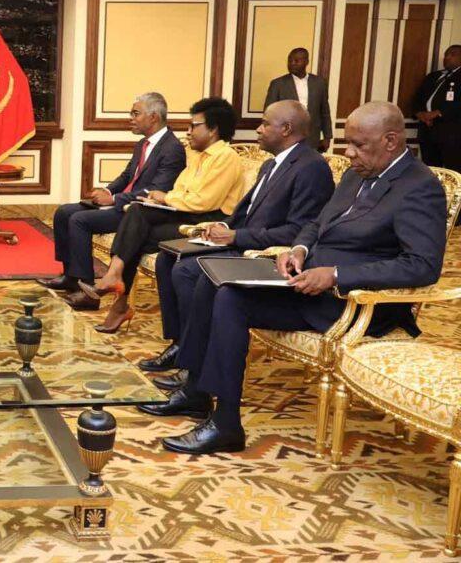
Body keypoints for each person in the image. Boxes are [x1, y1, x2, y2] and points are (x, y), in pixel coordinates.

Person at [161, 101, 447, 455]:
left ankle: (224, 423)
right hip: (306, 283)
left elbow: (421, 265)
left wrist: (337, 275)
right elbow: (316, 224)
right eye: (348, 142)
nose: (348, 153)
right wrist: (298, 250)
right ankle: (200, 394)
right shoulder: (356, 174)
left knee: (230, 297)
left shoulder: (419, 186)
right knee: (214, 278)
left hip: (353, 304)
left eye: (359, 145)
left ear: (391, 141)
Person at [135, 100, 335, 398]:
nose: (258, 129)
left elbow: (297, 230)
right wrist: (223, 227)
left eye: (265, 123)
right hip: (240, 239)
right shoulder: (271, 163)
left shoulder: (311, 167)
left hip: (260, 251)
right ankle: (181, 346)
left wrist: (236, 237)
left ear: (286, 129)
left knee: (188, 271)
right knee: (168, 257)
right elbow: (246, 212)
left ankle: (192, 365)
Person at [70, 97, 246, 333]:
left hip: (208, 222)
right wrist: (161, 198)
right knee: (137, 214)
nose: (188, 131)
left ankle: (117, 292)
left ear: (213, 129)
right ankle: (116, 285)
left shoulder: (226, 157)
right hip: (186, 213)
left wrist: (165, 198)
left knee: (135, 232)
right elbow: (181, 190)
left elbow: (204, 201)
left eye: (194, 126)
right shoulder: (198, 155)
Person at [38, 92, 185, 296]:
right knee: (63, 212)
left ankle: (84, 284)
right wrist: (107, 190)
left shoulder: (172, 148)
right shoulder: (143, 144)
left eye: (135, 113)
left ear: (153, 117)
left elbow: (156, 189)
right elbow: (127, 176)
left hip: (137, 212)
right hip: (121, 203)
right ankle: (70, 276)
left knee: (80, 220)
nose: (130, 118)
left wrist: (114, 199)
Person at [264, 48, 334, 151]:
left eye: (296, 61)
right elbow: (269, 113)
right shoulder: (278, 84)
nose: (292, 64)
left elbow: (324, 112)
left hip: (312, 138)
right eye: (290, 61)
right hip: (286, 137)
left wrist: (327, 137)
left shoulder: (319, 83)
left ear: (306, 62)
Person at [412, 44, 461, 169]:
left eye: (453, 54)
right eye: (446, 55)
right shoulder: (433, 76)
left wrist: (437, 113)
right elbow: (417, 97)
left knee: (452, 171)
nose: (447, 58)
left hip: (451, 134)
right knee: (430, 169)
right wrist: (420, 114)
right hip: (427, 131)